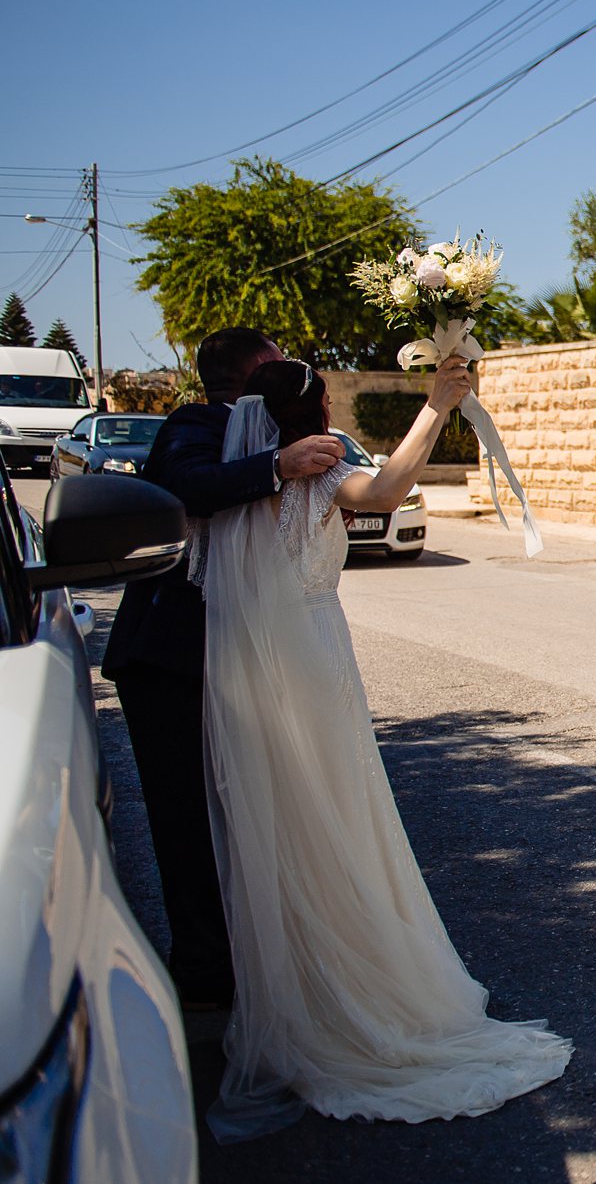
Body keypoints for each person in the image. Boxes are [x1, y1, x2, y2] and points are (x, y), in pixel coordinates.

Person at [201, 355, 571, 1140]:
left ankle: (303, 998)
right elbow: (388, 491)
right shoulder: (320, 469)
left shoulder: (236, 483)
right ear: (317, 409)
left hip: (249, 676)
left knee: (288, 837)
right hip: (315, 667)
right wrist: (437, 406)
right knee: (342, 824)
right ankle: (359, 1002)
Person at [102, 327, 343, 1011]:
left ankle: (251, 960)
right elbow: (188, 485)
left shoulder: (275, 434)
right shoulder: (194, 425)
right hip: (170, 661)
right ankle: (206, 976)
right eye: (279, 364)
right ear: (252, 372)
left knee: (245, 815)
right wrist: (277, 466)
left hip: (238, 660)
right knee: (187, 820)